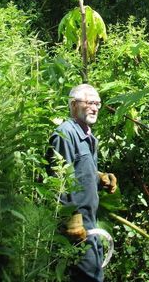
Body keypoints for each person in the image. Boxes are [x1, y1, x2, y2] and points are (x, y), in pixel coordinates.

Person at [47, 84, 117, 282]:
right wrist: (71, 218)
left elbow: (81, 172)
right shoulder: (65, 134)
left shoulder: (87, 136)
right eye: (90, 103)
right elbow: (59, 177)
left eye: (98, 103)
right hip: (75, 226)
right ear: (73, 105)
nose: (95, 108)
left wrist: (100, 178)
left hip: (89, 221)